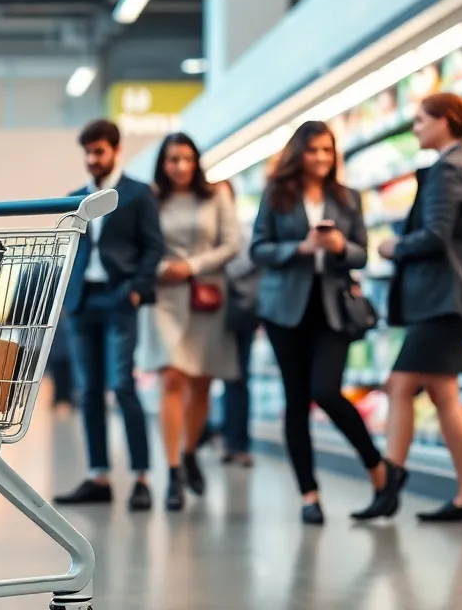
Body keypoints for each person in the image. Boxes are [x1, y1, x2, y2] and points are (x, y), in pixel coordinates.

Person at [249, 120, 402, 525]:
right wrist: (299, 247)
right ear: (298, 152)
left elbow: (362, 254)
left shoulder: (347, 198)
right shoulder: (277, 195)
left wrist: (339, 247)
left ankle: (378, 468)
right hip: (286, 309)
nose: (320, 157)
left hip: (332, 309)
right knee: (295, 401)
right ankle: (308, 495)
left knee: (326, 390)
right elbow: (258, 248)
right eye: (313, 150)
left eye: (327, 150)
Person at [369, 92, 462, 523]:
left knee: (400, 385)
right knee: (442, 393)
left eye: (421, 120)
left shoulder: (448, 169)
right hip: (451, 298)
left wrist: (393, 246)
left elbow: (436, 236)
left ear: (445, 121)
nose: (415, 128)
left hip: (443, 299)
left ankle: (390, 481)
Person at [53, 119, 165, 511]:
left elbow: (154, 247)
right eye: (87, 152)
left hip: (120, 299)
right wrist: (67, 298)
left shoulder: (137, 194)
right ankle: (98, 475)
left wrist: (137, 289)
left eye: (98, 151)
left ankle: (142, 478)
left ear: (115, 150)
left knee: (122, 386)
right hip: (83, 304)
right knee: (89, 393)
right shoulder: (75, 198)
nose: (91, 159)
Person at [140, 133, 240, 511]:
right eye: (172, 159)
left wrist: (192, 266)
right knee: (172, 377)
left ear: (196, 161)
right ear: (162, 164)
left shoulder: (216, 196)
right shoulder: (151, 199)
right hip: (164, 296)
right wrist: (165, 268)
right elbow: (142, 245)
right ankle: (173, 470)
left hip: (206, 297)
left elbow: (232, 244)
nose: (180, 166)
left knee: (201, 381)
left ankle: (191, 448)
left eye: (186, 159)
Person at [219, 178, 259, 469]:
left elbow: (246, 261)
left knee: (238, 379)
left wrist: (215, 265)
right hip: (213, 313)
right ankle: (225, 438)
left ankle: (238, 443)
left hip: (239, 313)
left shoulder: (242, 231)